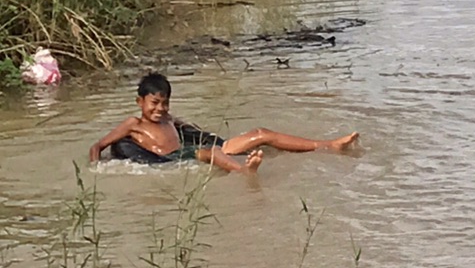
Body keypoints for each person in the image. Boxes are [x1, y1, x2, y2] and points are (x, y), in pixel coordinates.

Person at [88, 72, 358, 173]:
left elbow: (189, 131)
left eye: (164, 103)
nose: (160, 109)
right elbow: (98, 145)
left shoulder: (169, 118)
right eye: (154, 103)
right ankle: (244, 171)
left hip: (191, 149)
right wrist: (97, 171)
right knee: (211, 153)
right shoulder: (132, 123)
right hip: (173, 159)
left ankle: (327, 145)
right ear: (140, 102)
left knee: (260, 133)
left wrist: (196, 131)